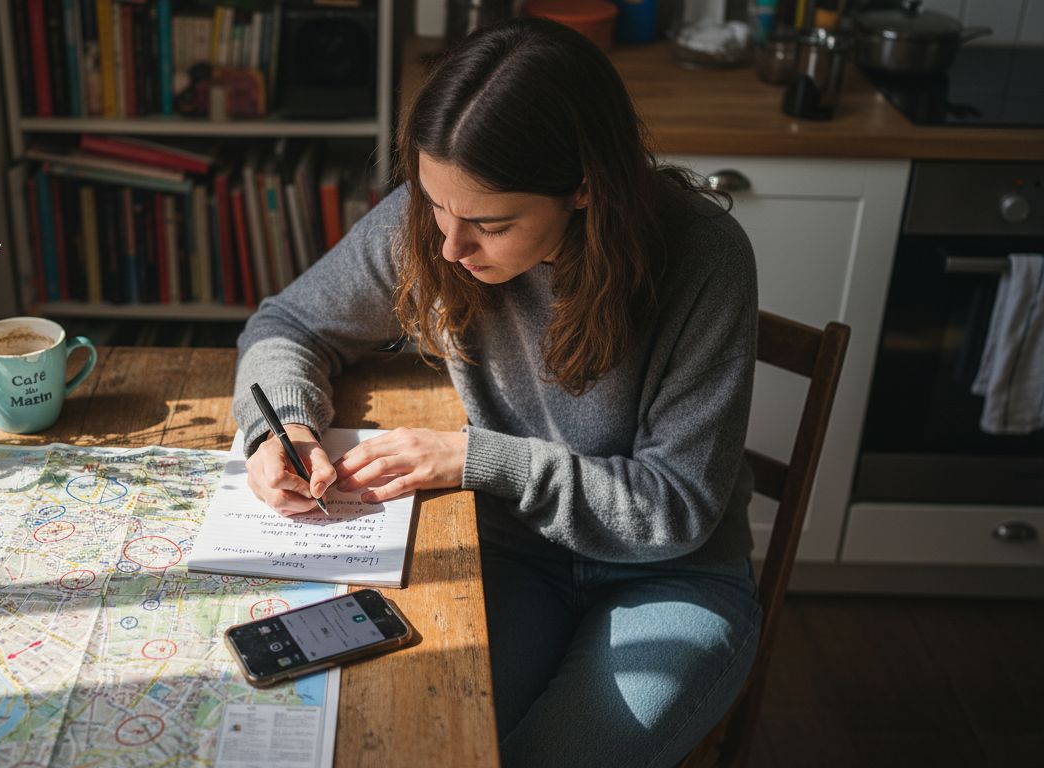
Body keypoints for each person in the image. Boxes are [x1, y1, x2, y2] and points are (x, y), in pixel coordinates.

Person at [231, 17, 760, 768]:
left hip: (672, 577)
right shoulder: (440, 218)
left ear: (584, 189)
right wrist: (282, 426)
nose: (449, 246)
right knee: (426, 742)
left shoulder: (703, 258)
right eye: (435, 207)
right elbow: (288, 323)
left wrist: (479, 459)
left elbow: (674, 508)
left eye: (489, 223)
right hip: (509, 556)